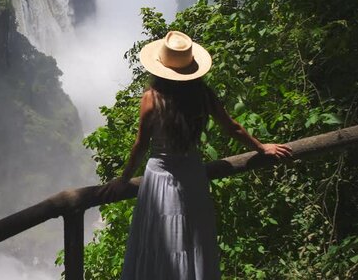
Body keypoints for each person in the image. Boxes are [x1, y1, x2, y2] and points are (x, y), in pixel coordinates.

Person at [103, 31, 292, 279]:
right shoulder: (203, 95)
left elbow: (140, 145)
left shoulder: (152, 98)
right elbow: (232, 127)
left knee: (161, 242)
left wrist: (124, 179)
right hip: (193, 174)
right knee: (193, 240)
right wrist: (261, 146)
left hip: (160, 179)